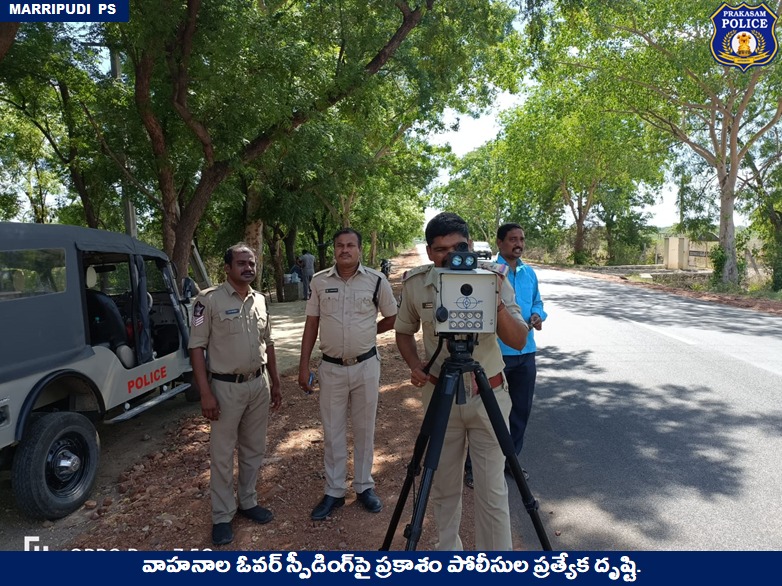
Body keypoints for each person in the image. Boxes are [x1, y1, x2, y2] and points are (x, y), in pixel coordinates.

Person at [395, 212, 529, 551]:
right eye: (441, 250)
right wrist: (415, 365)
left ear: (470, 245)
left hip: (489, 394)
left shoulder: (494, 278)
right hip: (440, 393)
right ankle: (449, 558)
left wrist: (495, 302)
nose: (452, 256)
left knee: (492, 491)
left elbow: (518, 340)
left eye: (459, 247)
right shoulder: (416, 283)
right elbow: (403, 331)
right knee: (443, 488)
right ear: (429, 252)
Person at [298, 228, 397, 521]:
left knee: (365, 429)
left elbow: (392, 317)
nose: (345, 250)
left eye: (350, 245)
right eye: (340, 245)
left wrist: (368, 332)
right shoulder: (319, 281)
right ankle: (334, 491)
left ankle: (364, 486)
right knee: (333, 431)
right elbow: (311, 324)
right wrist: (303, 366)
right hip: (331, 368)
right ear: (334, 250)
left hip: (366, 366)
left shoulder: (376, 281)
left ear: (359, 249)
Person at [188, 243, 283, 546]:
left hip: (258, 384)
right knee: (222, 454)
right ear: (227, 268)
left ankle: (248, 501)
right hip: (224, 388)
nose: (248, 268)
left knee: (254, 449)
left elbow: (268, 343)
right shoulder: (207, 301)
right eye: (241, 263)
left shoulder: (260, 300)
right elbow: (196, 347)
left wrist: (276, 382)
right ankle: (222, 515)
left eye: (251, 263)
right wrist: (205, 393)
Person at [464, 222, 547, 488]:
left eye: (521, 239)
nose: (518, 244)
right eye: (512, 239)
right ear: (499, 243)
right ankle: (473, 467)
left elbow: (537, 302)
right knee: (487, 413)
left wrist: (538, 315)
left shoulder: (529, 273)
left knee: (520, 411)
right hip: (496, 355)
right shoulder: (488, 273)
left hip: (526, 352)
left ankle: (511, 461)